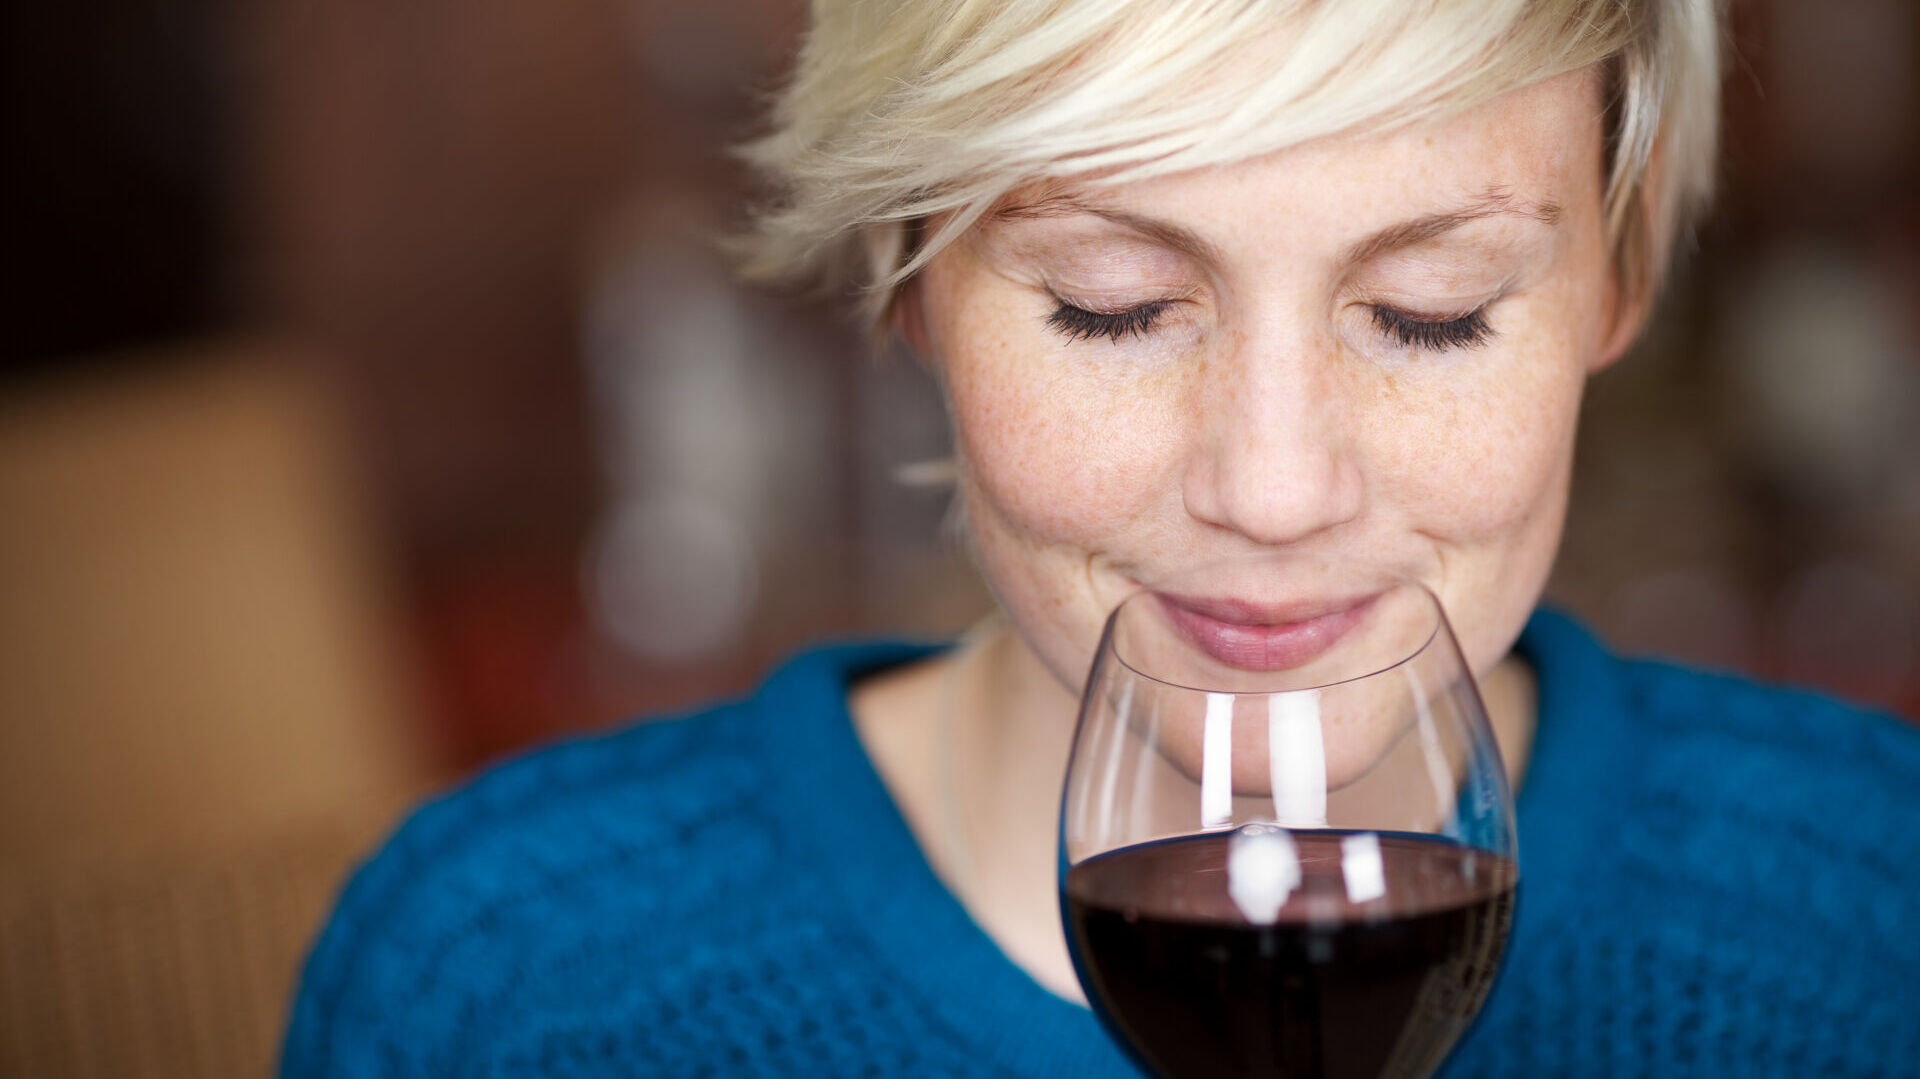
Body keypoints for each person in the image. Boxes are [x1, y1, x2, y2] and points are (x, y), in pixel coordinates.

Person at [281, 2, 1920, 1076]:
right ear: (913, 277)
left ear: (1614, 281)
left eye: (1431, 315)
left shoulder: (1873, 919)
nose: (1274, 490)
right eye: (1111, 306)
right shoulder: (505, 986)